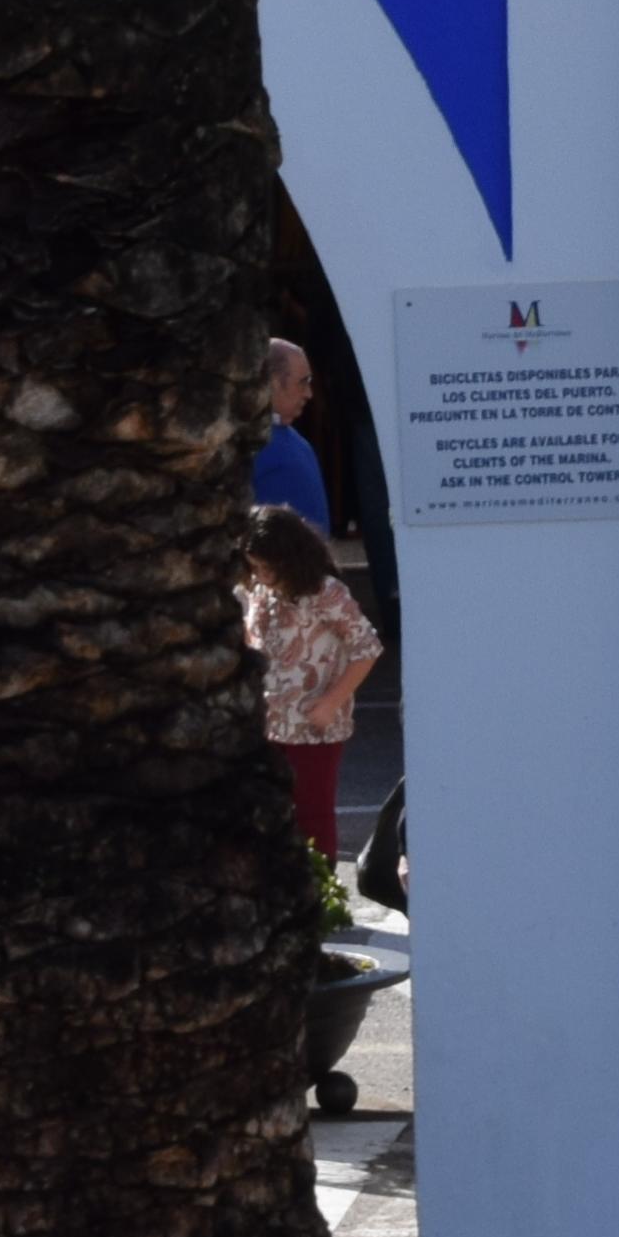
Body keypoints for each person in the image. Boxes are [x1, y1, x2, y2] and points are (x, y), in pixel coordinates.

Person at [243, 506, 379, 856]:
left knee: (313, 816)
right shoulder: (259, 592)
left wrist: (332, 702)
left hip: (315, 726)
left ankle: (322, 897)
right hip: (269, 723)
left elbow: (367, 648)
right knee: (271, 812)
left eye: (268, 566)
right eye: (255, 567)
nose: (262, 574)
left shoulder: (325, 592)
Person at [252, 337, 333, 527]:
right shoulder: (246, 445)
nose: (309, 394)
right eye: (302, 383)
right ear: (273, 382)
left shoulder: (294, 441)